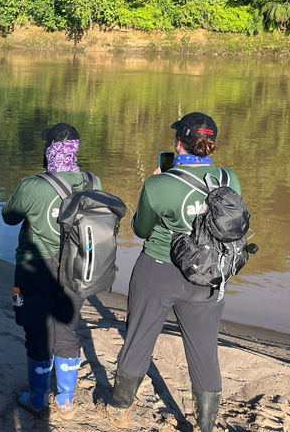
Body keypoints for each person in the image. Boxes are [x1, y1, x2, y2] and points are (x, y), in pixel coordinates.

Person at [100, 113, 239, 432]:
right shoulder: (230, 179)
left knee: (139, 338)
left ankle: (120, 409)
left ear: (179, 144)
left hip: (160, 270)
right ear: (211, 145)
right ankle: (206, 424)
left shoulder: (160, 182)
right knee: (205, 352)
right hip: (208, 275)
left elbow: (141, 229)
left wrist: (156, 180)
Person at [1, 123, 102, 419]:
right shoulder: (93, 181)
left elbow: (8, 217)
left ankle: (37, 400)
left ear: (48, 151)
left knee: (37, 332)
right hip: (79, 266)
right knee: (68, 329)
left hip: (36, 266)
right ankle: (66, 401)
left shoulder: (33, 184)